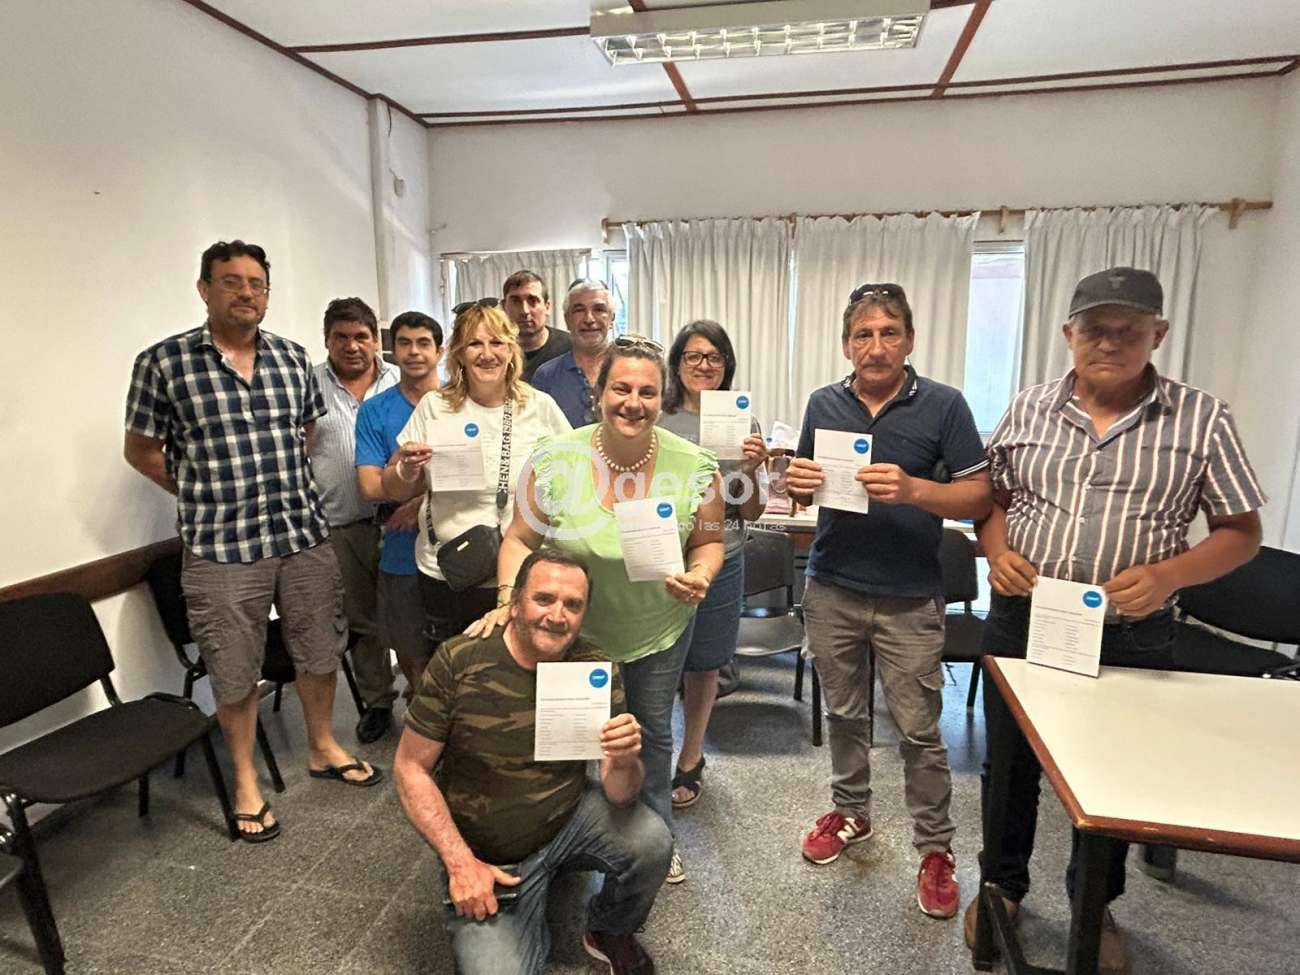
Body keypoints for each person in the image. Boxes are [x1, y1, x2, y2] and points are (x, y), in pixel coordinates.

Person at [965, 267, 1266, 972]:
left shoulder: (1202, 418)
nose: (1110, 341)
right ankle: (1002, 886)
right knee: (1007, 766)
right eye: (1095, 328)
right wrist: (998, 552)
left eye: (1128, 328)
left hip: (1131, 631)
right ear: (1068, 334)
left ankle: (1093, 903)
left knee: (1111, 778)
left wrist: (1168, 576)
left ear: (1158, 334)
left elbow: (1241, 531)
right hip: (1025, 619)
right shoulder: (1029, 408)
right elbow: (992, 498)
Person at [124, 240, 381, 844]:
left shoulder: (292, 359)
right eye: (231, 281)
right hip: (221, 545)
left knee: (319, 647)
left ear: (268, 293)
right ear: (204, 289)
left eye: (256, 283)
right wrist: (199, 489)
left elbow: (308, 433)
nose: (246, 293)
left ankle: (321, 744)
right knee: (233, 665)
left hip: (301, 533)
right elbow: (141, 450)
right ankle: (244, 779)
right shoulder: (164, 363)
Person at [471, 337, 725, 885]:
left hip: (656, 627)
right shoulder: (556, 459)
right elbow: (518, 539)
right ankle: (560, 837)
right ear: (600, 393)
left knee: (650, 733)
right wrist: (508, 600)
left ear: (662, 398)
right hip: (569, 631)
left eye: (647, 392)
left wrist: (701, 574)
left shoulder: (694, 466)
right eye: (621, 388)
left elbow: (709, 542)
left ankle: (654, 838)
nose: (633, 402)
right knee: (570, 735)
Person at [786, 282, 992, 919]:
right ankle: (852, 813)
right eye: (863, 335)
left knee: (919, 732)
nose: (875, 347)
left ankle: (935, 848)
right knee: (845, 715)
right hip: (833, 586)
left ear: (909, 340)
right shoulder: (824, 402)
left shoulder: (945, 405)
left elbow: (979, 497)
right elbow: (804, 489)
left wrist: (914, 490)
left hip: (909, 597)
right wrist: (796, 481)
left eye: (888, 333)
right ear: (846, 344)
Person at [394, 549, 670, 975]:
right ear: (515, 602)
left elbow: (620, 795)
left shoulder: (595, 667)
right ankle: (525, 907)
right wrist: (460, 863)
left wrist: (625, 759)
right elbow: (410, 767)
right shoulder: (460, 660)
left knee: (652, 842)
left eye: (573, 605)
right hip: (489, 852)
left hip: (566, 816)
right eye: (544, 599)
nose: (557, 616)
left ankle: (609, 929)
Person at [381, 302, 570, 652]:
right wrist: (407, 468)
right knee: (452, 668)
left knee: (515, 667)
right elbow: (393, 488)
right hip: (448, 570)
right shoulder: (435, 406)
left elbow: (570, 475)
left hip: (521, 570)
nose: (487, 354)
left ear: (511, 350)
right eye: (474, 344)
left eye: (497, 342)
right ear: (459, 354)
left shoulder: (539, 406)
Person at [655, 321, 767, 821]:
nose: (704, 365)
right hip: (661, 557)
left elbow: (753, 510)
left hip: (724, 556)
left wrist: (753, 469)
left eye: (714, 357)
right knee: (655, 659)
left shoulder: (743, 421)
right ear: (677, 363)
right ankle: (652, 755)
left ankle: (691, 756)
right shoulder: (658, 415)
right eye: (694, 356)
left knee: (705, 663)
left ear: (727, 365)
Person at [309, 297, 400, 743]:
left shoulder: (401, 380)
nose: (351, 346)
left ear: (375, 339)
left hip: (402, 521)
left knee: (409, 616)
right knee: (361, 621)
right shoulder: (309, 386)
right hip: (341, 524)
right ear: (327, 340)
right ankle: (378, 701)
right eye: (340, 337)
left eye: (361, 336)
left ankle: (425, 700)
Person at [355, 310, 443, 704]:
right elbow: (370, 487)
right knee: (411, 650)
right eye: (404, 343)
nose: (414, 352)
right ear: (392, 350)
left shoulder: (459, 403)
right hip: (401, 550)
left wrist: (420, 500)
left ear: (440, 351)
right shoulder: (375, 411)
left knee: (460, 653)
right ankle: (423, 721)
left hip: (458, 552)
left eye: (424, 343)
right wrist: (403, 481)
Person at [531, 278, 616, 427]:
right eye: (579, 310)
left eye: (599, 309)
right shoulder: (546, 376)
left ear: (612, 318)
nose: (589, 319)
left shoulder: (631, 370)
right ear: (567, 320)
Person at [502, 268, 572, 381]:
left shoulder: (570, 348)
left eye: (533, 300)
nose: (524, 311)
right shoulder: (495, 350)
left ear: (547, 307)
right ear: (504, 307)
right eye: (516, 301)